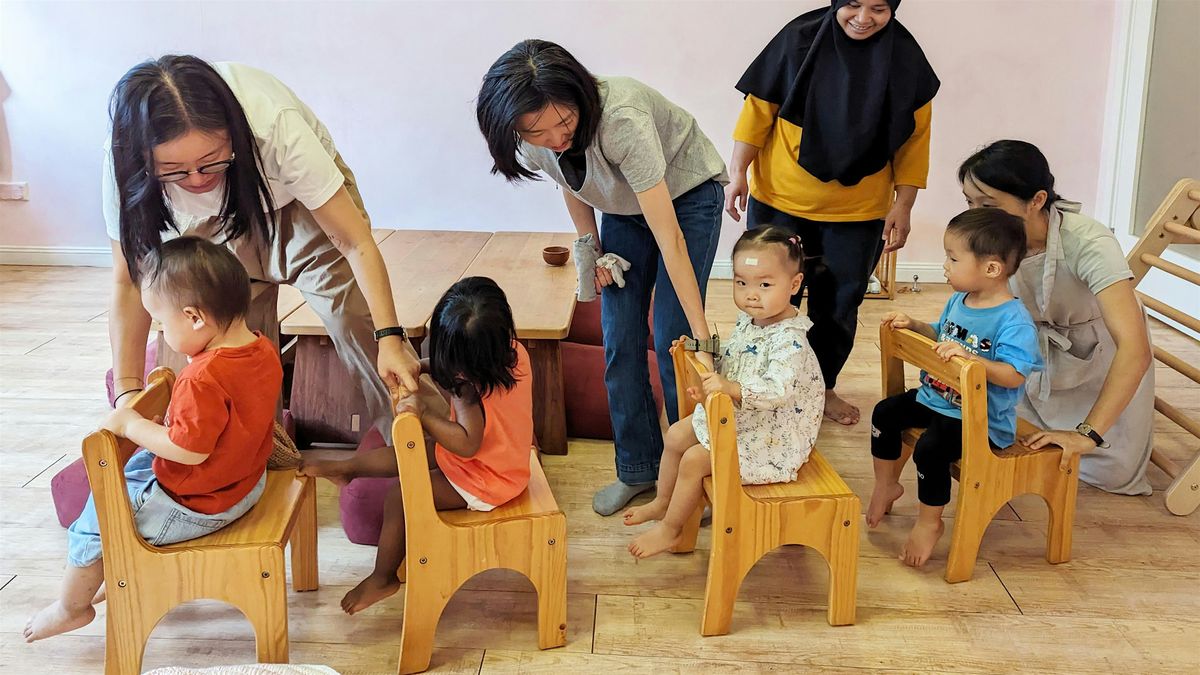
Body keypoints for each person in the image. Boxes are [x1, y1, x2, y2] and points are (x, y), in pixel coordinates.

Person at [103, 55, 419, 441]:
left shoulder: (273, 124)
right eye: (174, 170)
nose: (197, 180)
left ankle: (425, 451)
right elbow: (129, 281)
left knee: (352, 315)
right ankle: (248, 455)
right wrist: (128, 394)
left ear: (234, 132)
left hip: (299, 204)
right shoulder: (123, 160)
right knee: (209, 337)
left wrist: (389, 338)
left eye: (211, 161)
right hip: (210, 224)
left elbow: (355, 242)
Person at [476, 39, 729, 516]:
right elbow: (573, 184)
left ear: (579, 95)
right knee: (619, 338)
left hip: (686, 196)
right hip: (623, 206)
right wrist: (593, 253)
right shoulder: (530, 140)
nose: (555, 137)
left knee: (673, 338)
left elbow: (671, 239)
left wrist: (703, 341)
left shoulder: (621, 119)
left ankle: (696, 472)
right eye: (538, 131)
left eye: (565, 122)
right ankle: (639, 469)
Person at [24, 237, 282, 641]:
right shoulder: (262, 348)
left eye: (161, 322)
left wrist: (132, 425)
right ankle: (105, 576)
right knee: (136, 468)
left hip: (200, 504)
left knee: (97, 520)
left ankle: (71, 607)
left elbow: (189, 451)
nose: (161, 331)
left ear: (194, 318)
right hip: (246, 482)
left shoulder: (202, 377)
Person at [725, 0, 939, 426]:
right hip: (781, 199)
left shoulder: (906, 59)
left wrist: (904, 205)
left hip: (858, 212)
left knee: (839, 306)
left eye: (878, 8)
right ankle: (754, 383)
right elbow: (757, 112)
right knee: (767, 297)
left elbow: (915, 142)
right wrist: (737, 175)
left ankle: (821, 388)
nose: (863, 18)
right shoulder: (798, 40)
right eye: (853, 4)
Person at [301, 277, 533, 614]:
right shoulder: (512, 353)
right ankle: (348, 469)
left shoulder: (468, 390)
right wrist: (421, 367)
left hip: (487, 481)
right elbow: (461, 374)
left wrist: (422, 413)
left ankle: (384, 577)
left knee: (400, 496)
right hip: (501, 457)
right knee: (417, 451)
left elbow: (467, 444)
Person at [959, 140, 1155, 495]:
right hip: (1032, 360)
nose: (976, 215)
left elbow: (1134, 348)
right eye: (969, 202)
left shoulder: (1088, 241)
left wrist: (1088, 434)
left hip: (1097, 361)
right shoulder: (992, 239)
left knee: (1107, 472)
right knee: (1013, 441)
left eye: (988, 205)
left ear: (1036, 200)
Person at [624, 227, 824, 559]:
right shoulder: (751, 320)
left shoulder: (791, 340)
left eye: (764, 285)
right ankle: (662, 501)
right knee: (676, 435)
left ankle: (672, 529)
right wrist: (703, 353)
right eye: (741, 282)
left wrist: (730, 388)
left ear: (794, 284)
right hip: (747, 420)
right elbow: (737, 355)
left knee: (694, 460)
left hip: (774, 439)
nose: (751, 295)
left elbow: (777, 390)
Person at [869, 209, 1042, 567]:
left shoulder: (1014, 321)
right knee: (885, 413)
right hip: (935, 397)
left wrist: (972, 361)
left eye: (953, 258)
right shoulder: (960, 300)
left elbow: (1014, 374)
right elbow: (942, 334)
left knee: (930, 450)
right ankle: (886, 484)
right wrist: (915, 325)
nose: (944, 266)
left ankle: (929, 523)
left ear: (991, 269)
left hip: (978, 420)